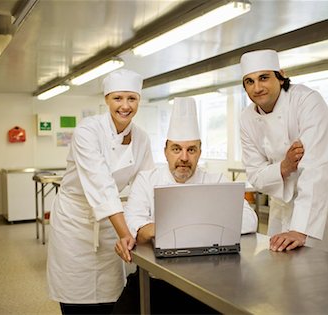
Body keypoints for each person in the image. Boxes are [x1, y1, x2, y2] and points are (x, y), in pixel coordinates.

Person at [112, 97, 258, 314]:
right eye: (176, 149)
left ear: (200, 151)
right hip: (155, 281)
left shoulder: (215, 181)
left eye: (191, 150)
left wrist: (164, 228)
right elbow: (134, 222)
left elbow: (249, 220)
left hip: (207, 284)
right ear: (166, 150)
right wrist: (209, 225)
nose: (184, 157)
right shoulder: (147, 179)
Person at [47, 68, 155, 315]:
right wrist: (126, 232)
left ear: (139, 100)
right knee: (76, 294)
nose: (125, 106)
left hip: (110, 224)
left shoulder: (142, 138)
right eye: (118, 98)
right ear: (106, 99)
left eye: (132, 98)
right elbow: (101, 185)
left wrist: (146, 226)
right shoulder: (88, 130)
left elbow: (146, 184)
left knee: (111, 293)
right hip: (75, 221)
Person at [239, 49, 328, 256]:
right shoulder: (246, 118)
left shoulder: (307, 101)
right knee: (278, 278)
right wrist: (284, 167)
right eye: (249, 82)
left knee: (318, 275)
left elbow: (315, 167)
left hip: (317, 209)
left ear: (281, 76)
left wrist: (300, 229)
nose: (257, 87)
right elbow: (255, 175)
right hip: (281, 204)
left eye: (264, 78)